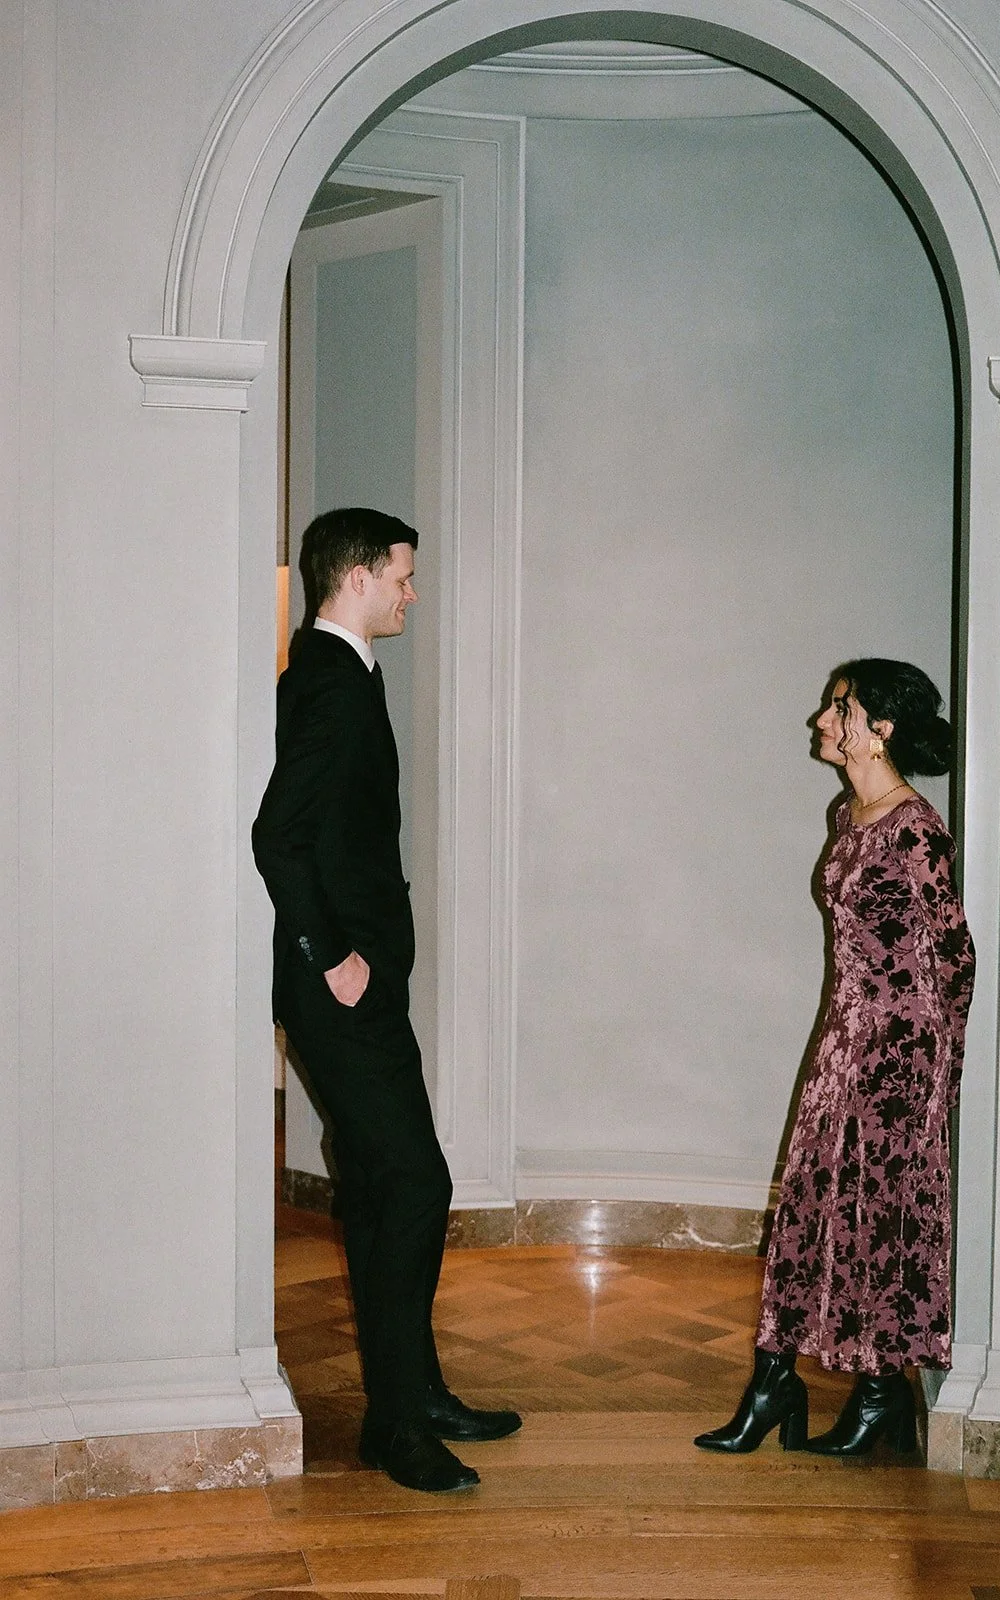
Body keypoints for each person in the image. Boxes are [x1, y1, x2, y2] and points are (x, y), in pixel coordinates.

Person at [252, 507, 521, 1493]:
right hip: (343, 988)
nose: (411, 593)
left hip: (364, 984)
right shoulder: (328, 683)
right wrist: (333, 956)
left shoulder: (339, 676)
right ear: (356, 578)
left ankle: (412, 1395)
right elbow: (278, 835)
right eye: (401, 577)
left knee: (379, 1183)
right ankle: (396, 1426)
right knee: (415, 1183)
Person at [694, 658, 975, 1458]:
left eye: (838, 707)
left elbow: (953, 956)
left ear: (878, 728)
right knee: (811, 1207)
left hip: (896, 1052)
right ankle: (775, 1379)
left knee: (873, 1219)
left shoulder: (916, 829)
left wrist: (934, 1075)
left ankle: (877, 1391)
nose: (821, 719)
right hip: (845, 1040)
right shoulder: (849, 814)